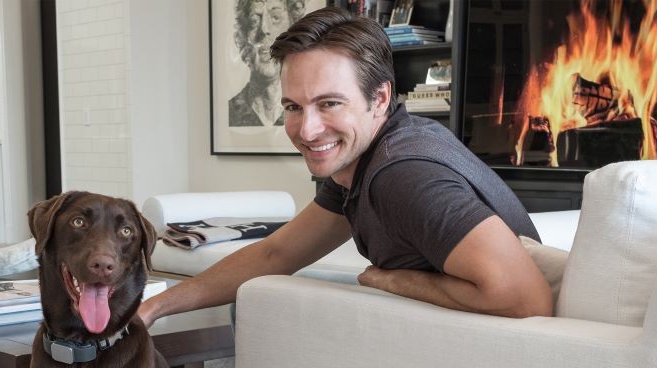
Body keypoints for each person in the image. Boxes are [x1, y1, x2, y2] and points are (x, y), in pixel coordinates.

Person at [141, 6, 552, 328]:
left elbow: (527, 299)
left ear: (378, 98)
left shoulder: (402, 176)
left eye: (329, 103)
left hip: (499, 359)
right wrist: (155, 307)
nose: (308, 129)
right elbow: (275, 253)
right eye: (292, 107)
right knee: (259, 290)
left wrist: (392, 279)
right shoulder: (364, 159)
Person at [228, 0, 308, 127]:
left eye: (275, 18)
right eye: (254, 21)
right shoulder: (232, 112)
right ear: (244, 35)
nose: (264, 29)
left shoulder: (310, 110)